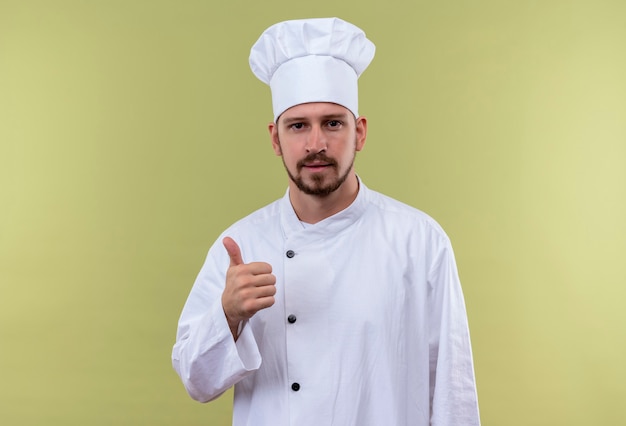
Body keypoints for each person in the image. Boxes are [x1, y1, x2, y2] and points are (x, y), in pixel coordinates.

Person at [172, 17, 480, 426]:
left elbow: (452, 392)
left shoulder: (420, 242)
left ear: (360, 133)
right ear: (276, 139)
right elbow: (197, 382)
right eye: (298, 126)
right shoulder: (241, 244)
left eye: (333, 123)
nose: (316, 143)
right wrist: (227, 316)